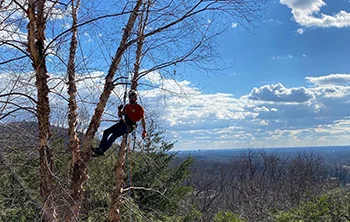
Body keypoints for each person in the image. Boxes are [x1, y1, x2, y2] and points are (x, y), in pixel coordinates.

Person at [92, 90, 147, 156]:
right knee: (106, 132)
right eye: (132, 96)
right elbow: (120, 115)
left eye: (135, 96)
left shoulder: (139, 108)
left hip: (130, 125)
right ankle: (100, 149)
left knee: (114, 135)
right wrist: (119, 110)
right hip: (123, 123)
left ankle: (102, 150)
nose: (133, 98)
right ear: (129, 97)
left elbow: (143, 119)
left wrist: (144, 131)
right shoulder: (127, 106)